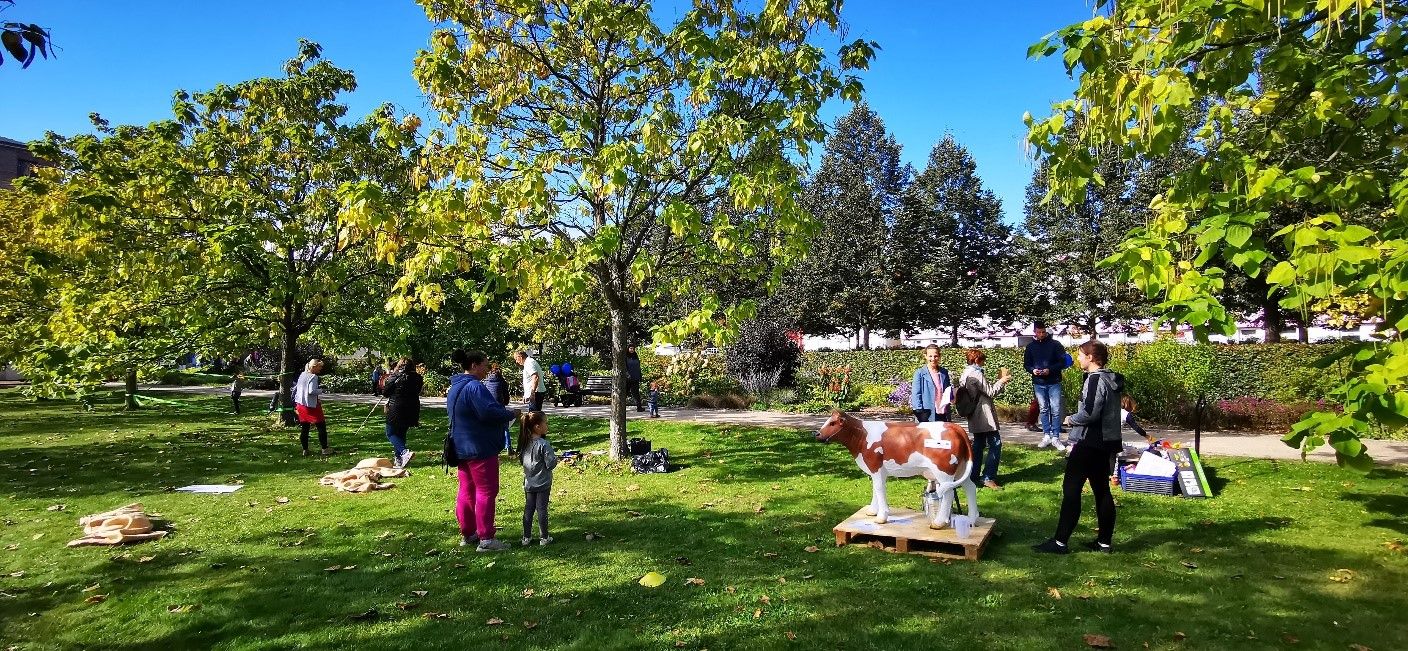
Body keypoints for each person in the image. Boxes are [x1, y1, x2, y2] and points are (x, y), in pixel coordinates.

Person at [1033, 340, 1125, 555]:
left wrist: (1071, 419)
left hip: (1089, 442)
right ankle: (1104, 543)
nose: (1078, 358)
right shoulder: (1111, 378)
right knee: (1102, 491)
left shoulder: (1094, 380)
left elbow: (1091, 412)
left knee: (1071, 490)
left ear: (1091, 358)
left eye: (1081, 355)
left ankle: (1060, 543)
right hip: (1105, 444)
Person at [448, 349, 521, 552]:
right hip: (479, 448)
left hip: (461, 447)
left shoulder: (455, 387)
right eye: (484, 365)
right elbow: (488, 411)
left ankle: (468, 533)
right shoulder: (474, 387)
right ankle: (486, 538)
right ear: (474, 365)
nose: (487, 369)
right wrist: (510, 413)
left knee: (466, 490)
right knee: (486, 491)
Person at [959, 349, 1011, 490]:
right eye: (982, 361)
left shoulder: (965, 373)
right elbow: (990, 392)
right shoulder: (976, 373)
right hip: (983, 414)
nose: (983, 363)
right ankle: (988, 477)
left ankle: (973, 476)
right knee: (996, 444)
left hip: (974, 414)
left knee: (978, 445)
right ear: (976, 360)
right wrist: (1002, 381)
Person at [1024, 321, 1070, 450]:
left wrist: (1050, 370)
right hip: (1038, 382)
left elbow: (1062, 362)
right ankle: (1046, 435)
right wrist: (1032, 370)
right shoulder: (1030, 347)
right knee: (1043, 409)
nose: (1041, 334)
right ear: (1035, 332)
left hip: (1054, 380)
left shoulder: (1055, 345)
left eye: (1043, 332)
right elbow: (1026, 364)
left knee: (1055, 409)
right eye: (1039, 332)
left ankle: (1055, 437)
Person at [517, 411, 558, 546]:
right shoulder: (543, 444)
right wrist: (556, 459)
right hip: (543, 483)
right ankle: (544, 537)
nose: (547, 426)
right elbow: (550, 463)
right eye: (545, 423)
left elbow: (522, 460)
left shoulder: (524, 443)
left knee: (529, 509)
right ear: (537, 427)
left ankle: (526, 537)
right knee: (542, 509)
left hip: (529, 483)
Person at [382, 357, 424, 468]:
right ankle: (399, 460)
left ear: (399, 366)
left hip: (397, 407)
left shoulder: (395, 376)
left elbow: (385, 392)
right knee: (401, 433)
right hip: (412, 407)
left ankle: (404, 452)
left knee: (390, 432)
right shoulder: (417, 378)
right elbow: (418, 390)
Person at [293, 358, 332, 457]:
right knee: (321, 426)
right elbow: (311, 391)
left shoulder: (302, 375)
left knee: (305, 428)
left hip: (301, 405)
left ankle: (305, 450)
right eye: (320, 367)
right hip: (311, 406)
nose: (321, 369)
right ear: (314, 367)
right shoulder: (313, 377)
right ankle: (324, 449)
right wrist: (321, 390)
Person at [909, 344, 953, 422]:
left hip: (943, 412)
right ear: (925, 356)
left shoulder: (944, 372)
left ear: (939, 356)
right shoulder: (919, 373)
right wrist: (921, 415)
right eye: (930, 356)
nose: (933, 359)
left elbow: (947, 391)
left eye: (935, 356)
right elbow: (916, 395)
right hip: (927, 414)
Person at [484, 363, 514, 454]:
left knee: (489, 427)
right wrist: (504, 403)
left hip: (489, 407)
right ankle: (508, 447)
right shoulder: (502, 382)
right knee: (505, 427)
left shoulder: (485, 382)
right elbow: (506, 397)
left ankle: (490, 445)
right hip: (500, 406)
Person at [625, 347, 644, 412]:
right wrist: (627, 375)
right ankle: (621, 407)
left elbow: (638, 367)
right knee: (625, 393)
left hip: (635, 378)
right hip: (627, 379)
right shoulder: (625, 357)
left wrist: (640, 376)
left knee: (636, 393)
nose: (632, 350)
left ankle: (639, 407)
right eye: (630, 348)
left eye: (633, 348)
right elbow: (624, 367)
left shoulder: (636, 356)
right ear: (628, 349)